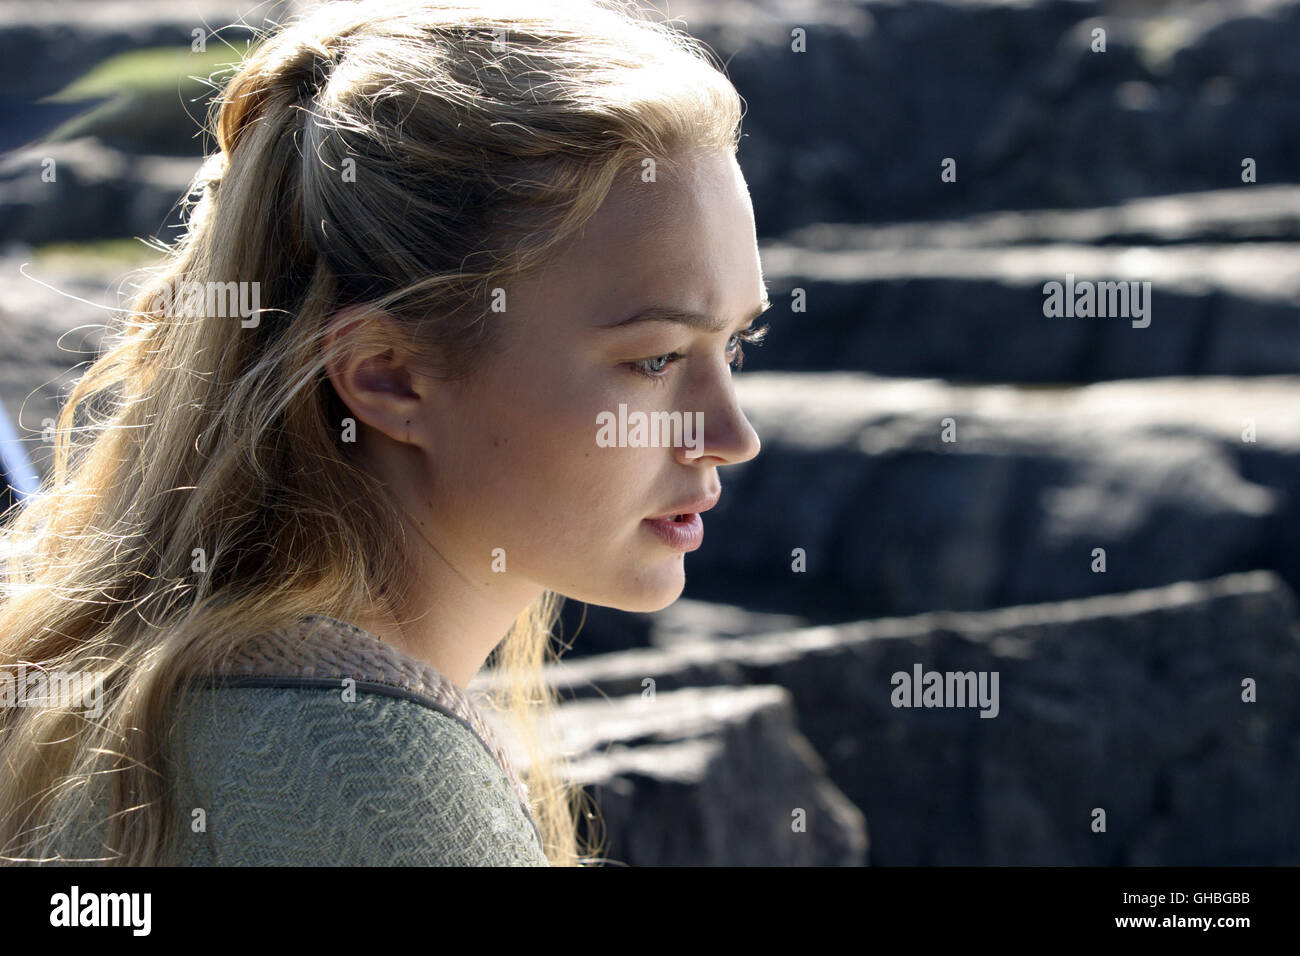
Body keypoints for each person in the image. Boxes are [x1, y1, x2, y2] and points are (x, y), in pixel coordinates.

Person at [0, 0, 766, 866]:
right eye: (659, 359)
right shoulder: (380, 796)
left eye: (737, 343)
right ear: (388, 375)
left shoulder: (114, 703)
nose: (731, 433)